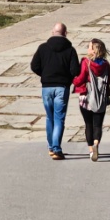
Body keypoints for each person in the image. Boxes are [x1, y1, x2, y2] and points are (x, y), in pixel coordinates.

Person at [30, 23, 79, 160]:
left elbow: (34, 66)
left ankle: (51, 147)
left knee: (49, 117)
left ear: (52, 32)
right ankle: (57, 148)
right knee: (59, 118)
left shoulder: (43, 48)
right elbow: (75, 70)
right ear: (66, 33)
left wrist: (45, 75)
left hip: (46, 87)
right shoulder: (70, 50)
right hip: (62, 87)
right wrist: (68, 78)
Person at [73, 38, 110, 161]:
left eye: (89, 47)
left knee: (88, 124)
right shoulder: (106, 64)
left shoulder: (86, 62)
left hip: (86, 97)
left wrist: (73, 80)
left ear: (94, 51)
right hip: (100, 98)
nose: (87, 49)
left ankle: (91, 150)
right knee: (98, 125)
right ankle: (96, 143)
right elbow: (108, 80)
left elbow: (80, 79)